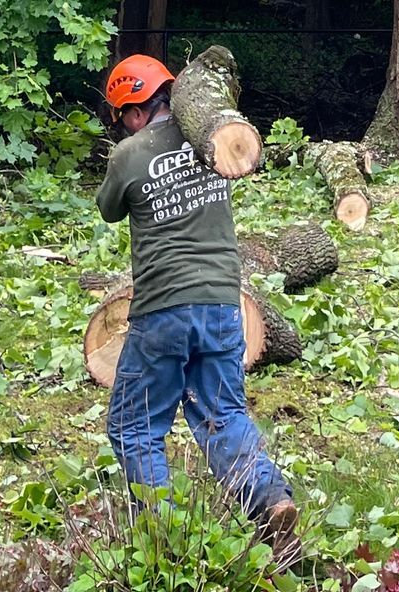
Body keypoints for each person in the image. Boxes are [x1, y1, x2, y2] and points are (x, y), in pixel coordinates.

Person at [95, 54, 299, 565]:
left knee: (135, 425)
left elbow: (108, 208)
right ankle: (270, 499)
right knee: (222, 414)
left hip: (164, 307)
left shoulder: (130, 152)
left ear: (133, 110)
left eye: (122, 114)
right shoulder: (212, 142)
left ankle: (160, 531)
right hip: (223, 304)